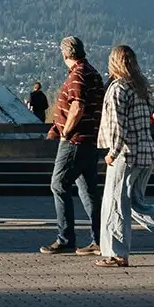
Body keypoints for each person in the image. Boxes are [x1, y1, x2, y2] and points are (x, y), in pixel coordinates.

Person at [94, 44, 154, 268]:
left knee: (115, 204)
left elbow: (119, 126)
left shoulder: (118, 88)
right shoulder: (142, 86)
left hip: (126, 155)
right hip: (146, 152)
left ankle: (117, 254)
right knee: (135, 203)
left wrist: (112, 152)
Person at [40, 36, 106, 256]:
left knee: (58, 185)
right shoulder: (93, 73)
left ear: (65, 54)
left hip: (76, 141)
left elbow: (77, 106)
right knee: (88, 192)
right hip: (91, 140)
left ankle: (66, 238)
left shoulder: (77, 75)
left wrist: (66, 132)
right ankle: (99, 239)